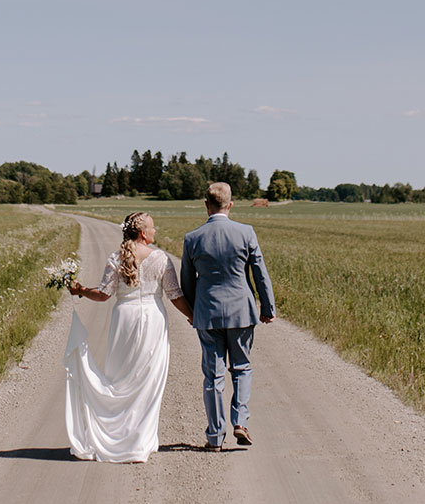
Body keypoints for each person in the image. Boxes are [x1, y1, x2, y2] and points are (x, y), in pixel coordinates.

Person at [64, 211, 193, 463]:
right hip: (153, 321)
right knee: (148, 380)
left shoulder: (117, 257)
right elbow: (175, 295)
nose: (156, 231)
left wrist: (80, 291)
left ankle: (119, 436)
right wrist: (192, 316)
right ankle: (139, 442)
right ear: (144, 233)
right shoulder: (160, 258)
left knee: (121, 378)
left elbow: (103, 294)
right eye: (153, 228)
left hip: (124, 320)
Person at [178, 181, 275, 450]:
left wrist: (193, 312)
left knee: (213, 376)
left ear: (206, 206)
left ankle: (214, 436)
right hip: (241, 312)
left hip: (207, 314)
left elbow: (187, 281)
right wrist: (267, 308)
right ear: (230, 205)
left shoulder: (193, 238)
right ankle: (240, 421)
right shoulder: (246, 233)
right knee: (242, 367)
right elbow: (259, 273)